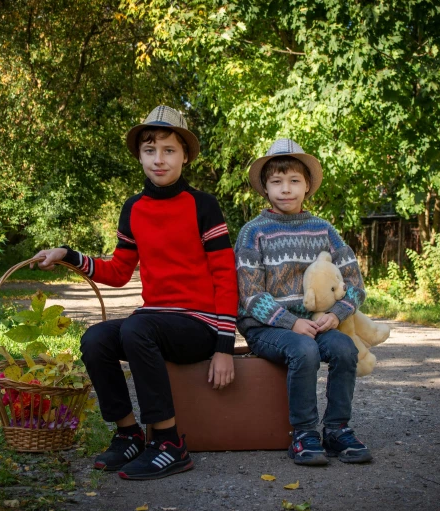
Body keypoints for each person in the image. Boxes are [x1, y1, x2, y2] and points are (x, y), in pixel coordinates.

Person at [32, 105, 238, 480]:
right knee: (96, 338)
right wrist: (70, 255)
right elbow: (118, 271)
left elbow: (226, 276)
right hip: (155, 320)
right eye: (150, 150)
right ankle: (128, 433)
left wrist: (224, 347)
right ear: (140, 155)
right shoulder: (134, 208)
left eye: (169, 150)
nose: (159, 159)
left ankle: (169, 443)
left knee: (135, 329)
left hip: (199, 324)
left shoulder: (203, 205)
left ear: (185, 156)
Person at [234, 138, 372, 465]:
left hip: (317, 322)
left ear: (307, 186)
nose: (286, 189)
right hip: (266, 326)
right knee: (304, 350)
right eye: (276, 182)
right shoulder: (253, 232)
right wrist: (290, 322)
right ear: (264, 189)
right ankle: (304, 432)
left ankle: (337, 429)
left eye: (294, 181)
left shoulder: (324, 230)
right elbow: (250, 294)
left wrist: (337, 314)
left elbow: (353, 282)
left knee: (344, 349)